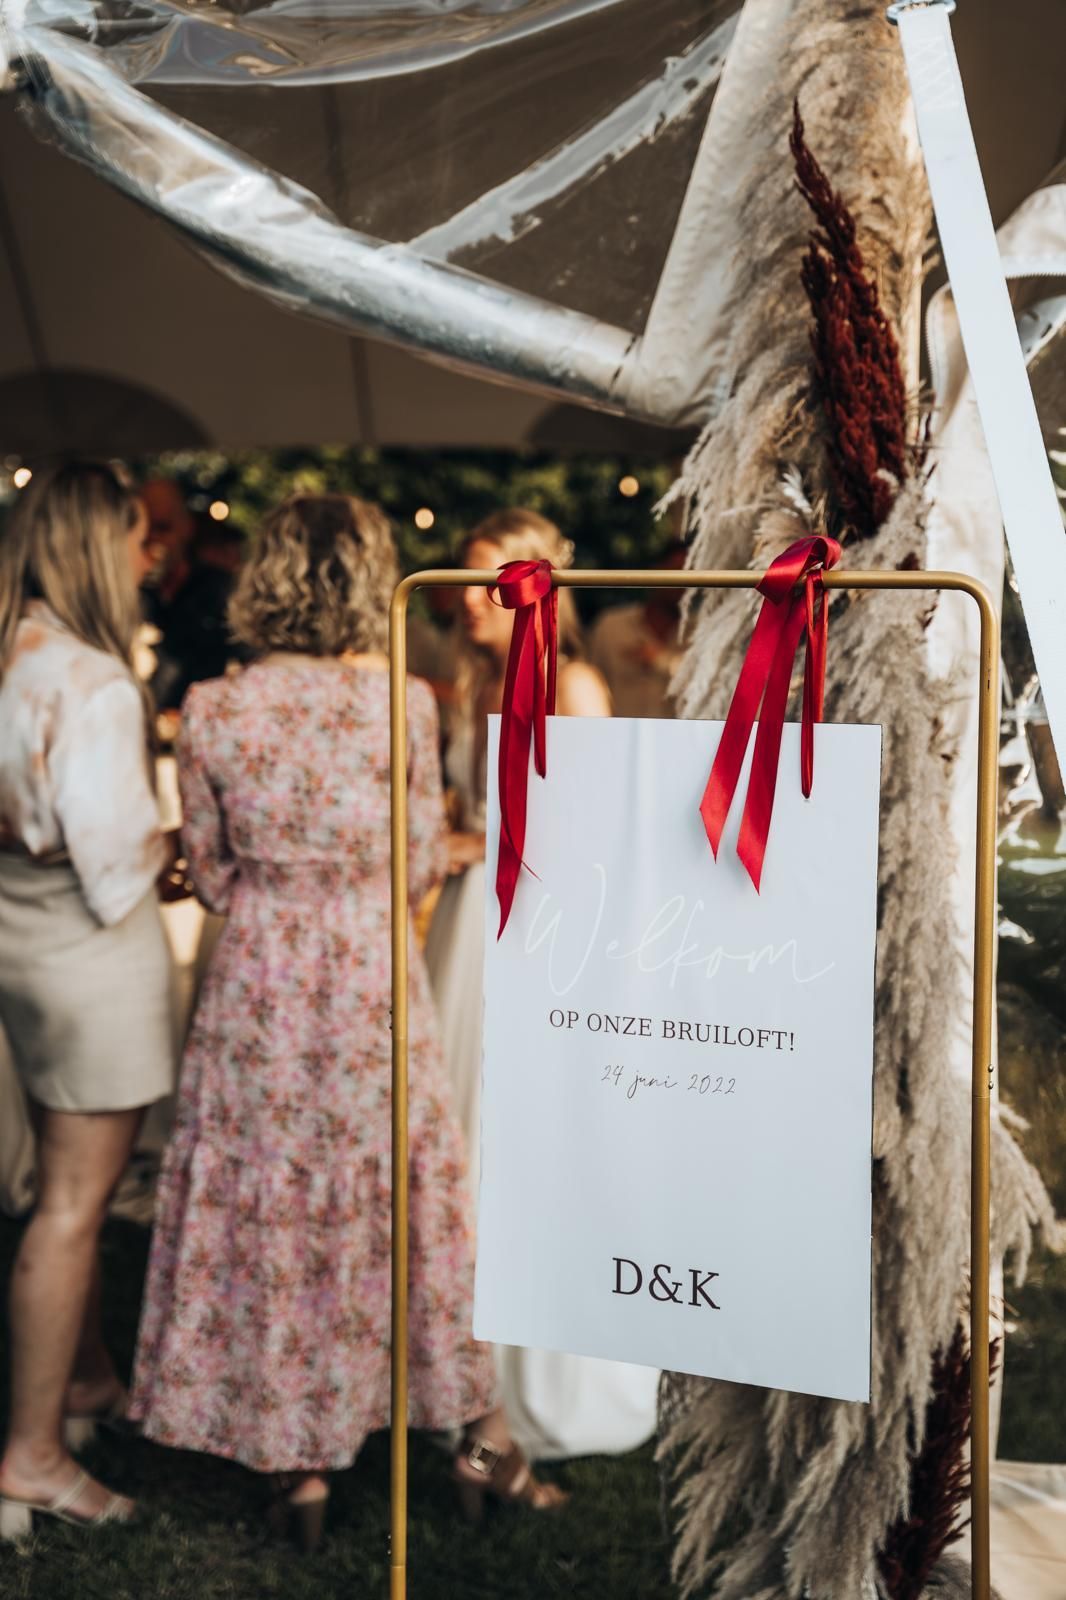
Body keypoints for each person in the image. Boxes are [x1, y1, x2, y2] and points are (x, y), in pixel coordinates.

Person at [128, 492, 563, 1551]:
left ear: (267, 579)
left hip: (262, 988)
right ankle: (477, 1441)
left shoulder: (216, 708)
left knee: (278, 1204)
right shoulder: (404, 704)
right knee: (403, 1199)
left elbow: (213, 879)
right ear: (367, 582)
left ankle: (302, 1465)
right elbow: (418, 859)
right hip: (371, 979)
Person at [424, 508, 661, 1462]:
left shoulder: (576, 685)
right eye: (468, 580)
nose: (471, 600)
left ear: (534, 587)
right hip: (466, 927)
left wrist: (471, 843)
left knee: (530, 1142)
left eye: (491, 581)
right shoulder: (472, 682)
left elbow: (593, 836)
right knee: (461, 1145)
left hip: (538, 927)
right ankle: (459, 1372)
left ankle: (538, 1381)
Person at [0, 462, 177, 1537]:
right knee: (73, 1205)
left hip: (17, 942)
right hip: (86, 954)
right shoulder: (95, 682)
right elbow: (115, 869)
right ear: (91, 546)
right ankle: (31, 1455)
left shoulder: (9, 651)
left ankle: (86, 1380)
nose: (146, 555)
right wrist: (179, 843)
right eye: (133, 536)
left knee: (63, 1192)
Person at [141, 480, 240, 712]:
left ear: (186, 527)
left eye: (163, 528)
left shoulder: (219, 590)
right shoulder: (127, 595)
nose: (154, 540)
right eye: (144, 531)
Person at [586, 542, 687, 718]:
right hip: (615, 733)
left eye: (691, 575)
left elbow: (710, 687)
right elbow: (589, 685)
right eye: (676, 572)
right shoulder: (610, 627)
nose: (683, 584)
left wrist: (661, 661)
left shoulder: (700, 634)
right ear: (656, 572)